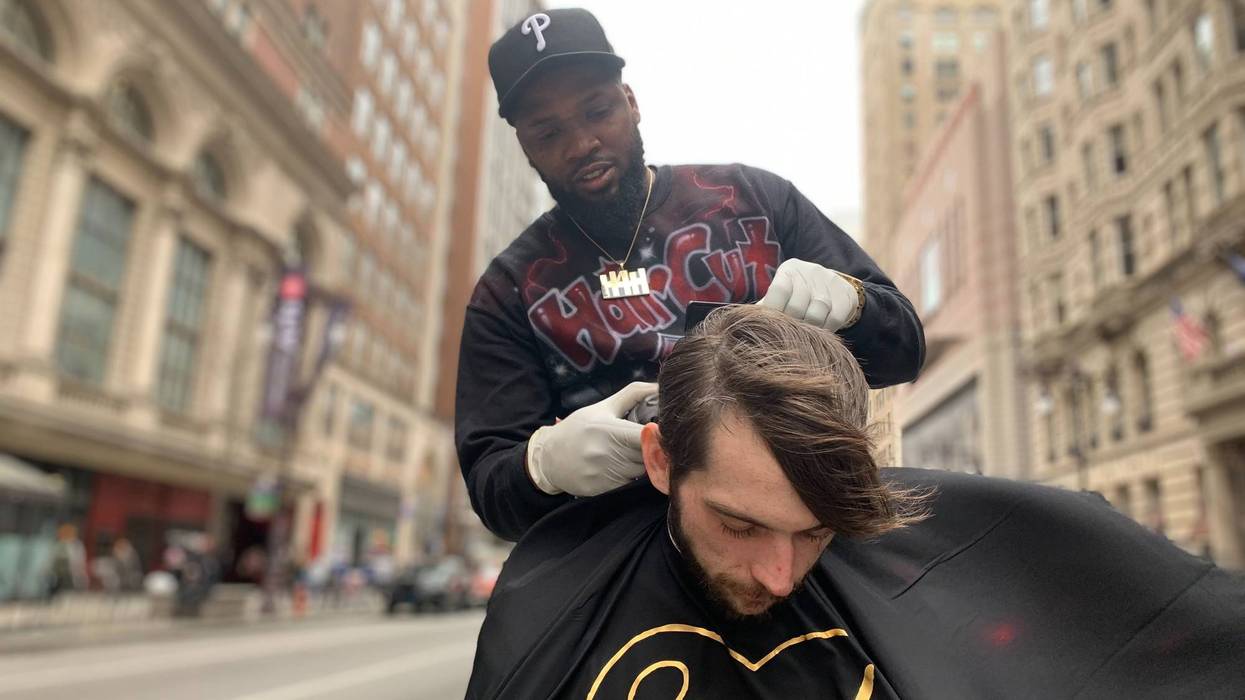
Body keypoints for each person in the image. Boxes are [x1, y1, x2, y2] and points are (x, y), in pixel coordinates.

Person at [466, 306, 1245, 699]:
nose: (777, 575)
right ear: (662, 459)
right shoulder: (556, 612)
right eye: (739, 524)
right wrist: (531, 463)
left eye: (815, 534)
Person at [457, 8, 925, 541]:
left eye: (597, 110)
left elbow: (905, 350)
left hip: (795, 528)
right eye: (548, 131)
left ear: (630, 103)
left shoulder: (758, 203)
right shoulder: (509, 290)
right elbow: (491, 488)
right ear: (524, 144)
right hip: (617, 562)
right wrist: (541, 467)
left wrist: (855, 305)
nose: (581, 143)